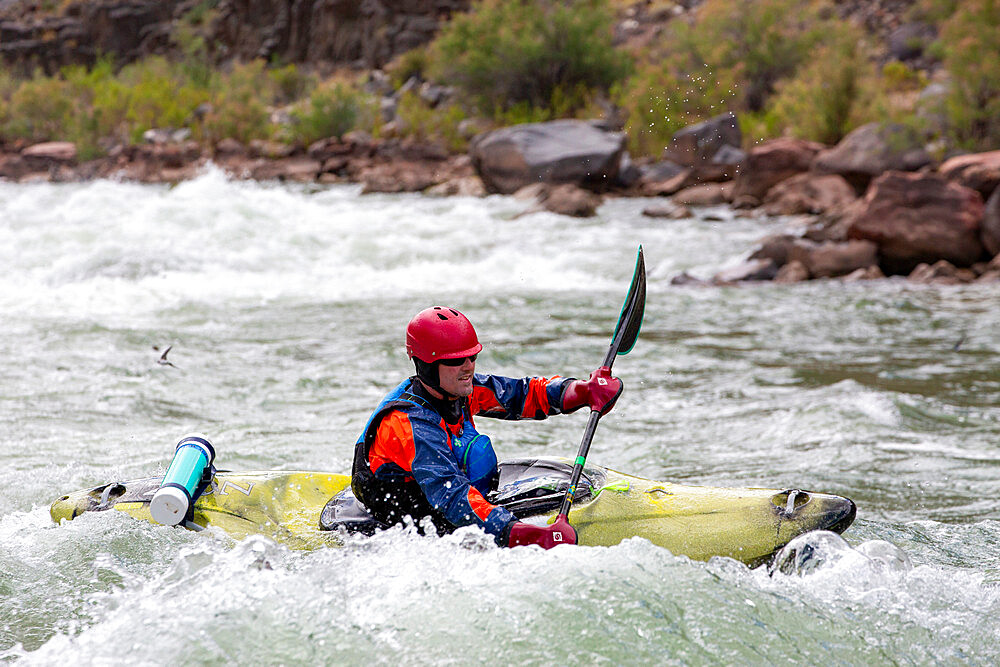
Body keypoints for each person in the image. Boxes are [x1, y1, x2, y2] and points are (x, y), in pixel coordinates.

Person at [352, 306, 623, 549]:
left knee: (478, 455)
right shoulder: (410, 424)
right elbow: (453, 497)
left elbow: (522, 394)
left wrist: (582, 391)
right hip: (407, 508)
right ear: (426, 365)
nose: (468, 366)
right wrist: (526, 536)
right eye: (457, 360)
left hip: (439, 492)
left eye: (472, 357)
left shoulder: (457, 388)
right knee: (476, 459)